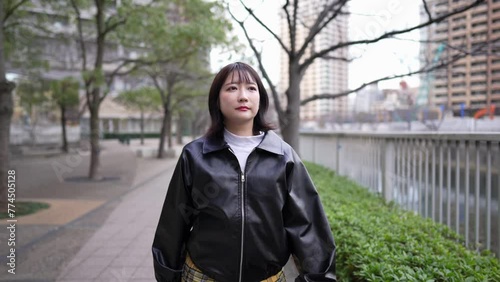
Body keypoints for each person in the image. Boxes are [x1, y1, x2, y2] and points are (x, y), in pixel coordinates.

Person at [152, 62, 336, 282]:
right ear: (217, 100)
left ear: (261, 99)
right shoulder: (195, 156)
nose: (242, 96)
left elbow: (308, 226)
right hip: (203, 276)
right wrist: (168, 276)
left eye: (251, 88)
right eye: (231, 88)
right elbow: (173, 223)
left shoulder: (282, 156)